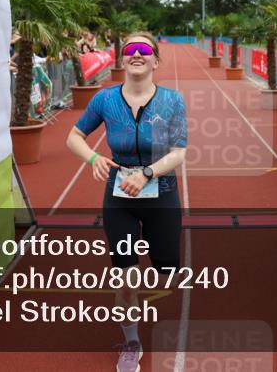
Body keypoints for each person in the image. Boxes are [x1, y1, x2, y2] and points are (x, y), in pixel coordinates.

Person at [65, 32, 187, 371]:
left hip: (162, 195)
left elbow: (178, 153)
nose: (136, 54)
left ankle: (153, 264)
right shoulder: (105, 100)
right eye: (129, 49)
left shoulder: (172, 101)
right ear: (121, 59)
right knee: (126, 277)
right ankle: (131, 340)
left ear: (155, 60)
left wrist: (147, 173)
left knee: (166, 269)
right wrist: (92, 158)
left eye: (143, 49)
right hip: (119, 199)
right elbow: (73, 137)